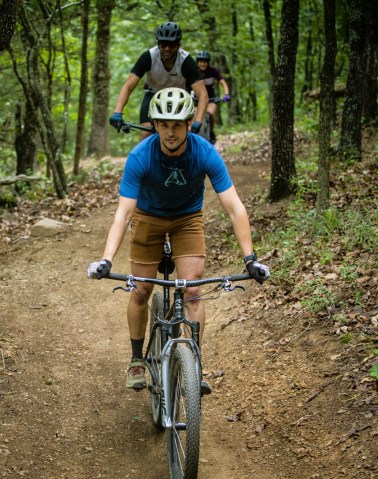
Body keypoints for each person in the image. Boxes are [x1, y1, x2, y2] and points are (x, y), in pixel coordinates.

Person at [88, 87, 269, 392]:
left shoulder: (204, 153)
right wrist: (106, 259)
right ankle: (136, 359)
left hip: (187, 219)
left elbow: (234, 207)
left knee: (194, 289)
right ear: (154, 125)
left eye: (176, 125)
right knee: (142, 290)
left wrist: (250, 258)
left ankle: (194, 365)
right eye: (163, 125)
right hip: (148, 216)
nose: (170, 133)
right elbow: (123, 213)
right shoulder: (140, 156)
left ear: (188, 124)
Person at [108, 22, 209, 141]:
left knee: (183, 135)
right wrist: (117, 111)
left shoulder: (186, 61)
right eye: (163, 44)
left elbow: (203, 94)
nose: (167, 48)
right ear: (158, 44)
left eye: (171, 45)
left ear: (179, 45)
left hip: (179, 98)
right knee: (146, 135)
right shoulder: (148, 57)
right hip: (153, 94)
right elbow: (128, 86)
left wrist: (198, 120)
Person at [194, 50, 231, 144]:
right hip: (195, 99)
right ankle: (192, 135)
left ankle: (211, 132)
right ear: (197, 62)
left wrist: (226, 94)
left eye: (205, 61)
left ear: (208, 62)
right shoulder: (193, 70)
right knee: (194, 115)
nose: (203, 64)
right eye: (201, 61)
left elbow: (222, 82)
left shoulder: (213, 71)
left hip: (211, 98)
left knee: (210, 113)